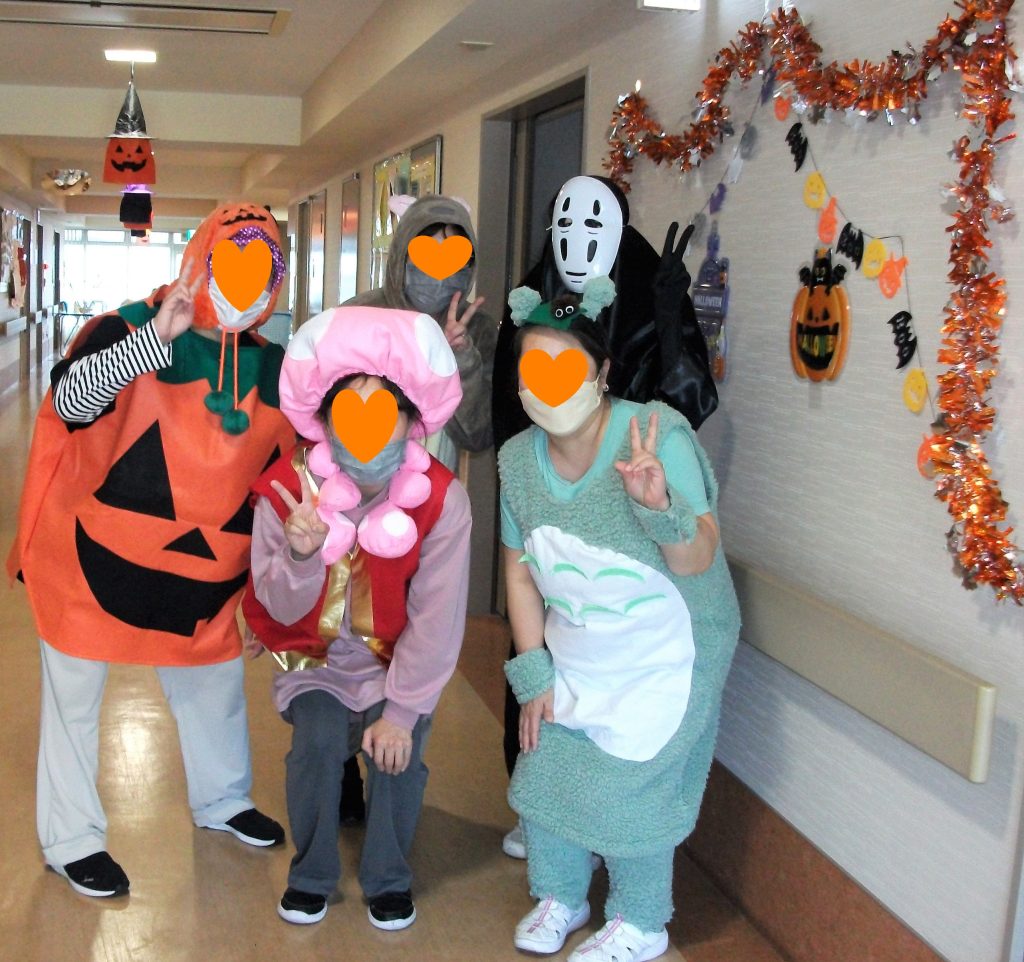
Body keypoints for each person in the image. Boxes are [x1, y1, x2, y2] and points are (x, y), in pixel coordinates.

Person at [8, 202, 296, 898]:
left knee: (212, 685)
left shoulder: (275, 367)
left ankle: (222, 798)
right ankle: (71, 839)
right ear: (200, 259)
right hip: (89, 557)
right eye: (230, 263)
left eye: (262, 271)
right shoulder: (126, 326)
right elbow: (71, 402)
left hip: (204, 574)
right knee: (75, 698)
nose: (245, 283)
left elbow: (297, 470)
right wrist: (155, 340)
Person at [498, 279, 740, 962]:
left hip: (672, 641)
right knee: (547, 758)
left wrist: (656, 505)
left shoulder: (656, 435)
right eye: (534, 369)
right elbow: (519, 571)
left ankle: (641, 919)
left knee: (636, 774)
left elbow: (698, 558)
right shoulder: (517, 462)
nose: (548, 386)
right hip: (583, 638)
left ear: (602, 372)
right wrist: (533, 670)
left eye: (567, 368)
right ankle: (561, 893)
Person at [493, 181, 716, 858]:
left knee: (628, 705)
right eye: (567, 221)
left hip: (640, 542)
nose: (580, 235)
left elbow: (689, 402)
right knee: (545, 680)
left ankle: (618, 836)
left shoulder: (649, 299)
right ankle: (546, 817)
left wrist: (672, 322)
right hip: (556, 540)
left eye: (597, 221)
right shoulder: (532, 303)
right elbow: (518, 565)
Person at [242, 305, 471, 929]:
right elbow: (275, 605)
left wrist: (402, 712)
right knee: (317, 745)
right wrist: (299, 555)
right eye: (347, 412)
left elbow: (437, 620)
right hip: (315, 662)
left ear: (412, 421)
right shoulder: (287, 488)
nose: (365, 431)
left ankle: (388, 877)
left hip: (397, 664)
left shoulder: (441, 499)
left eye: (383, 413)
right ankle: (311, 874)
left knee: (398, 754)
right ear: (322, 418)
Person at [344, 193, 496, 470]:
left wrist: (459, 358)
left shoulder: (476, 328)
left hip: (433, 485)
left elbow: (478, 436)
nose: (437, 273)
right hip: (352, 477)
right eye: (423, 255)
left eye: (453, 257)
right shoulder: (360, 314)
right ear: (401, 256)